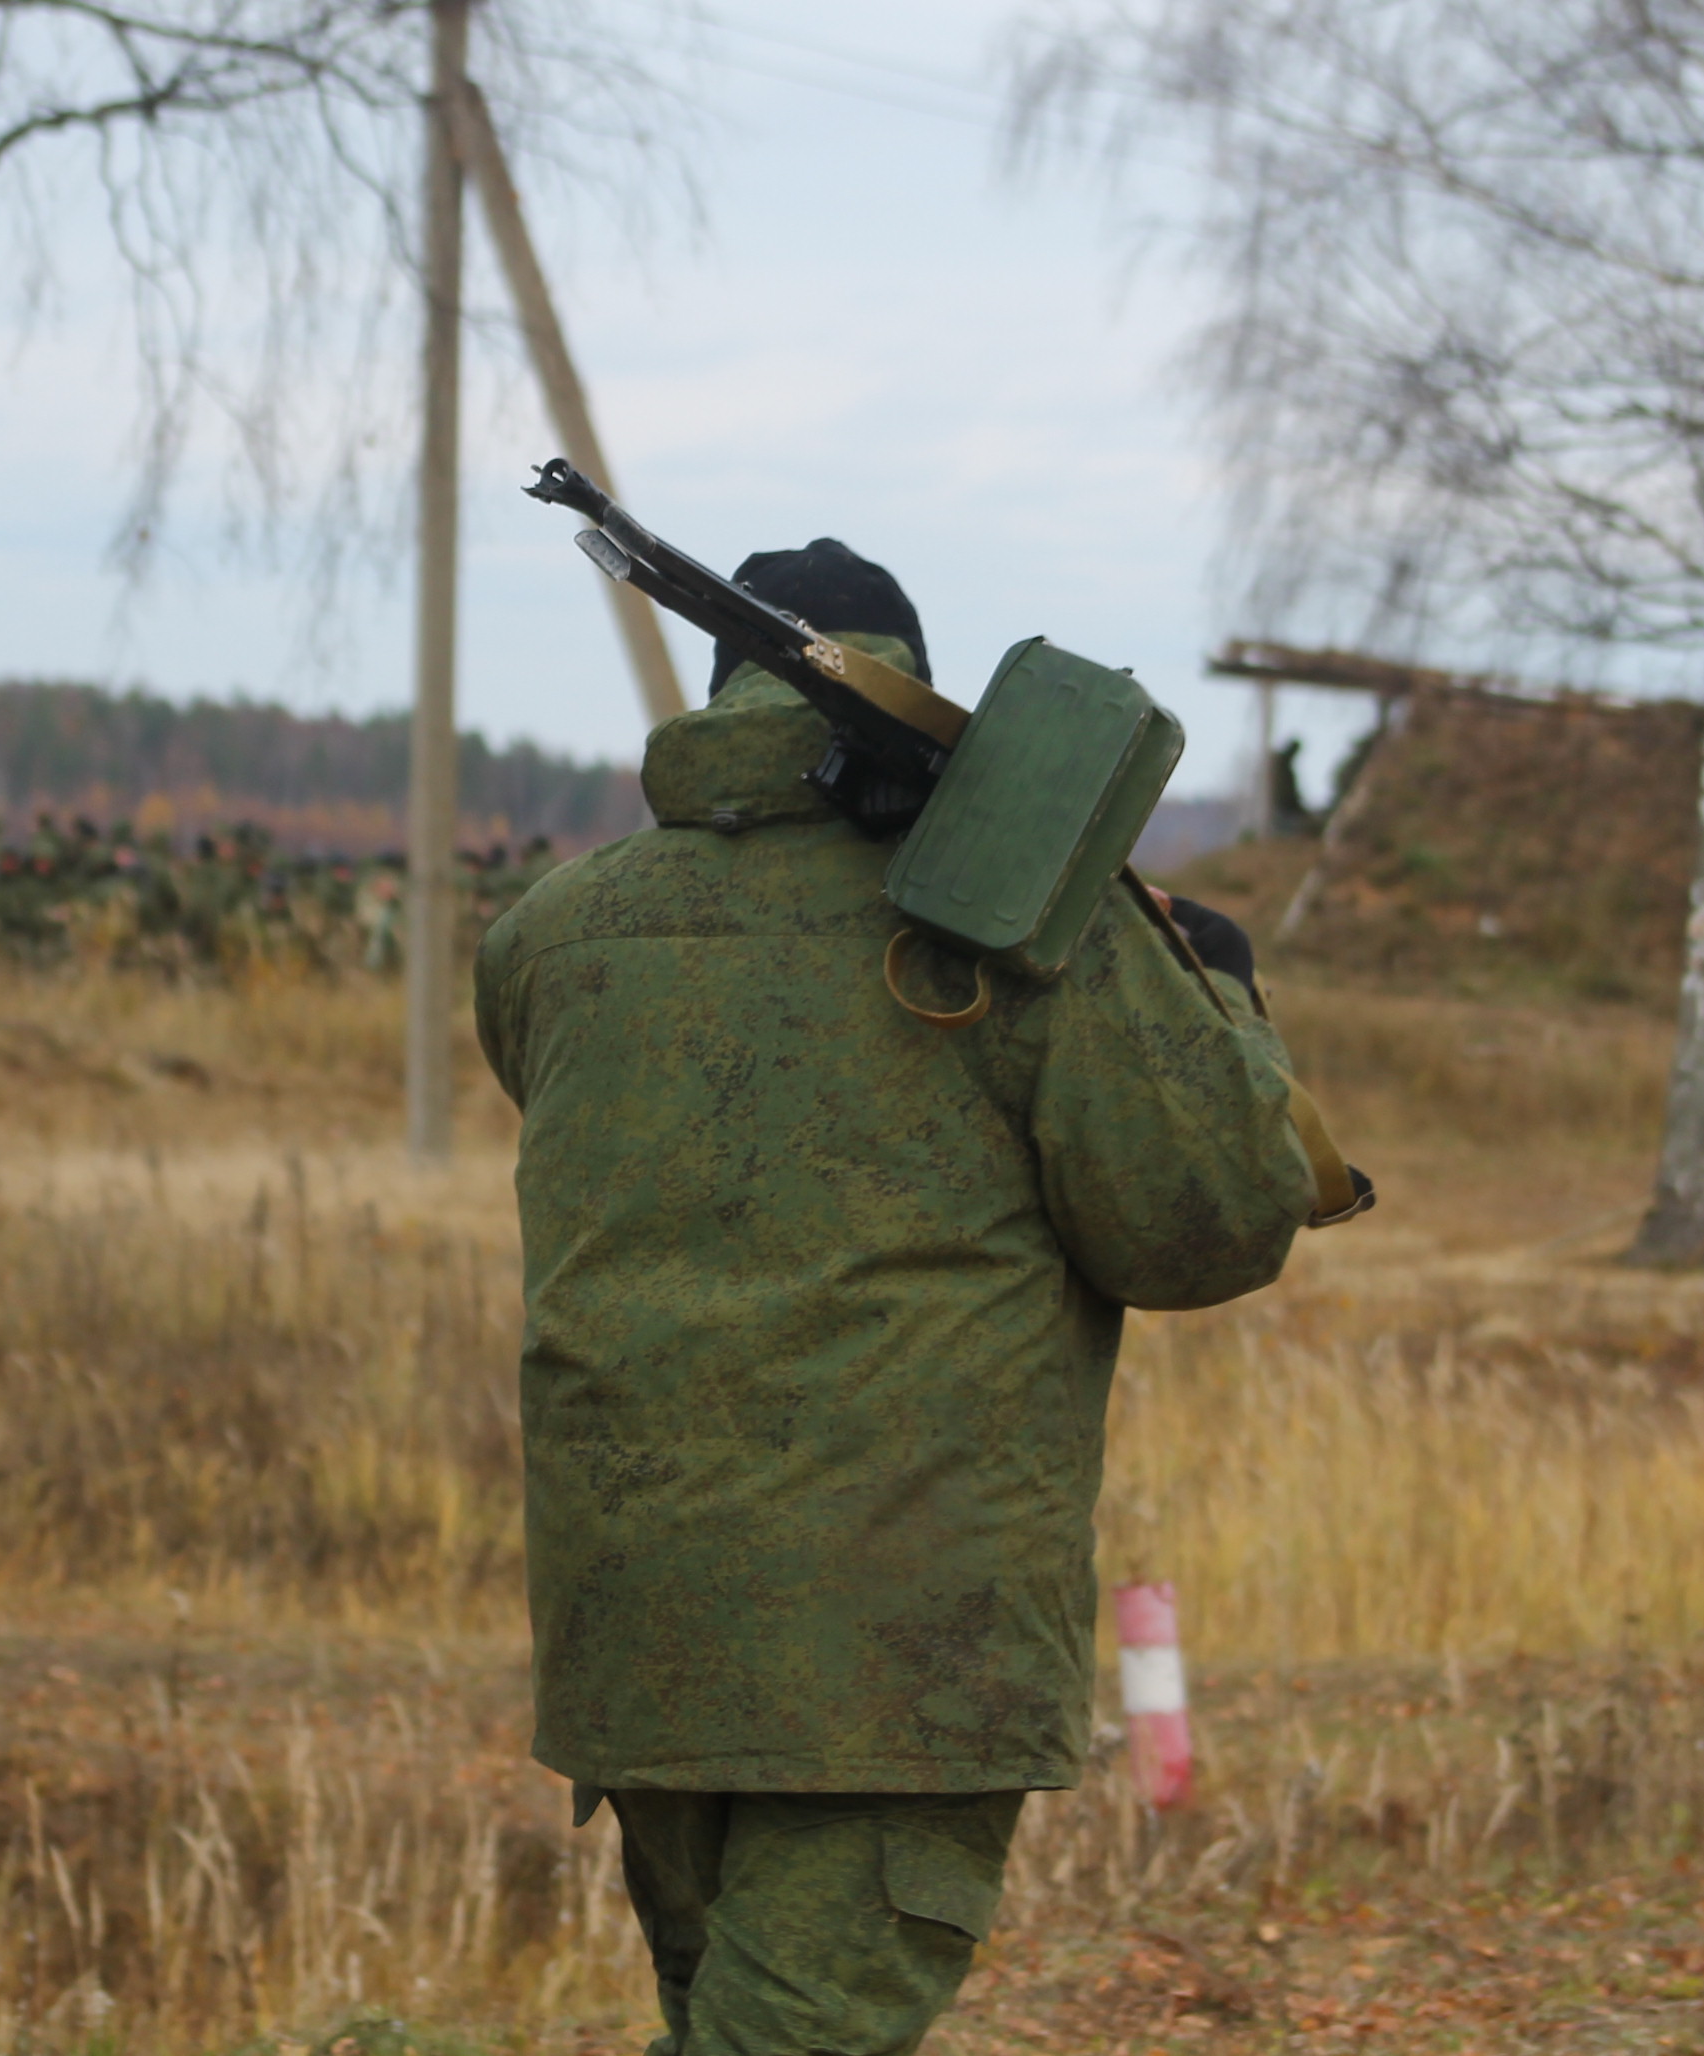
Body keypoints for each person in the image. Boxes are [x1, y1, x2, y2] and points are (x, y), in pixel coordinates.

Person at [474, 539, 1318, 2056]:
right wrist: (1221, 999)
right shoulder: (1022, 930)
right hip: (894, 1651)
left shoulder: (550, 936)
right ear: (921, 696)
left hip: (639, 1637)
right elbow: (1204, 1224)